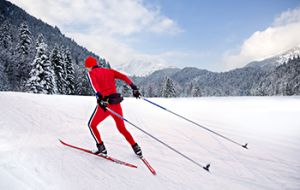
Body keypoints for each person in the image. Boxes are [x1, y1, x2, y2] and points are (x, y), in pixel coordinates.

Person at [85, 56, 142, 157]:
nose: (87, 69)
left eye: (87, 67)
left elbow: (95, 86)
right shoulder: (109, 71)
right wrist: (134, 87)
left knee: (92, 125)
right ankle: (136, 147)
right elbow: (124, 77)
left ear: (89, 66)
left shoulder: (91, 73)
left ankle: (101, 148)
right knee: (122, 128)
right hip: (116, 104)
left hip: (105, 106)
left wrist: (99, 97)